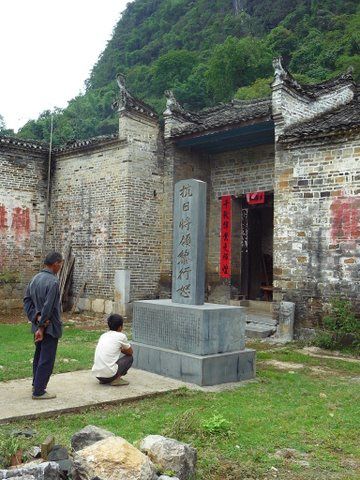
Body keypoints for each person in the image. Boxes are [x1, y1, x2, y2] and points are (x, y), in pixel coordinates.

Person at [24, 251, 63, 399]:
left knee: (39, 355)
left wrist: (35, 317)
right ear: (56, 264)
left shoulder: (34, 279)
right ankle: (39, 391)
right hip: (49, 327)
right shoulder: (53, 282)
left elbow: (27, 301)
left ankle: (36, 383)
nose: (60, 267)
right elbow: (49, 307)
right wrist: (41, 325)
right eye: (60, 264)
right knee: (47, 358)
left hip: (38, 325)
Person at [92, 314, 133, 386]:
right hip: (109, 375)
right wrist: (121, 349)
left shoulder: (103, 335)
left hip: (98, 376)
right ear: (120, 327)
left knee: (111, 359)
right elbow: (130, 352)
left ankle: (105, 380)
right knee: (129, 358)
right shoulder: (121, 336)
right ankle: (116, 379)